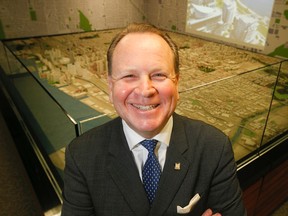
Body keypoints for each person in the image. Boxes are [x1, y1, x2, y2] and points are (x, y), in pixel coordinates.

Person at [61, 23, 246, 216]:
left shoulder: (214, 147)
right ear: (110, 87)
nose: (145, 90)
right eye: (129, 76)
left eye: (159, 75)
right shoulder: (82, 155)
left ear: (177, 82)